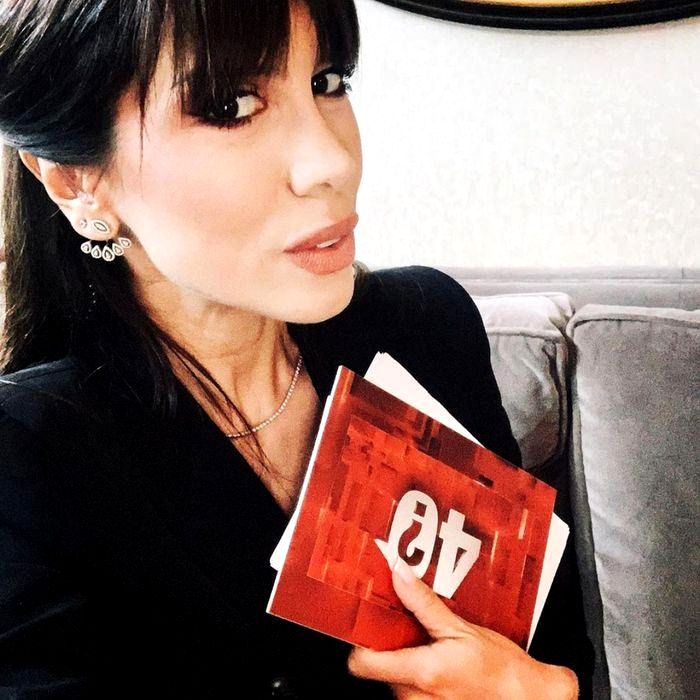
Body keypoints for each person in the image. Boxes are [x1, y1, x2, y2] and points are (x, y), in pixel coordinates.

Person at [0, 1, 594, 697]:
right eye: (230, 106)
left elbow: (554, 651)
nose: (332, 161)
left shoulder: (424, 330)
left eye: (328, 82)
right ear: (76, 181)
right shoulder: (31, 458)